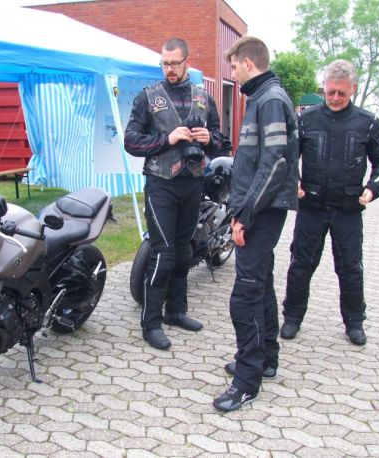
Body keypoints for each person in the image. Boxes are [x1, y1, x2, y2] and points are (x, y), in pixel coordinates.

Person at [281, 59, 379, 346]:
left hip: (348, 210)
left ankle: (354, 322)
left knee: (350, 268)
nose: (334, 97)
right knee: (300, 264)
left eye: (340, 93)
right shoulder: (305, 120)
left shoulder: (368, 123)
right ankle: (292, 316)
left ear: (353, 89)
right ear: (324, 87)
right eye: (330, 91)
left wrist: (373, 189)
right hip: (312, 207)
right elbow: (287, 157)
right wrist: (293, 180)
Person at [213, 36, 299, 412]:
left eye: (233, 66)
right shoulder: (262, 97)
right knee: (260, 286)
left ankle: (247, 381)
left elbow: (275, 164)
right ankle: (265, 360)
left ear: (248, 63)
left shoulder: (270, 99)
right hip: (258, 209)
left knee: (244, 296)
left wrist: (244, 216)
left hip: (261, 212)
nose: (232, 72)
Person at [124, 38, 223, 350]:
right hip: (161, 184)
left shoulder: (204, 98)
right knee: (163, 252)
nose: (169, 69)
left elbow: (221, 141)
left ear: (187, 62)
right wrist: (167, 139)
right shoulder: (147, 97)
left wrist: (209, 138)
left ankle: (176, 311)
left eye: (174, 63)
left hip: (192, 183)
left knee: (183, 251)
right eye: (164, 63)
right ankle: (150, 322)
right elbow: (131, 141)